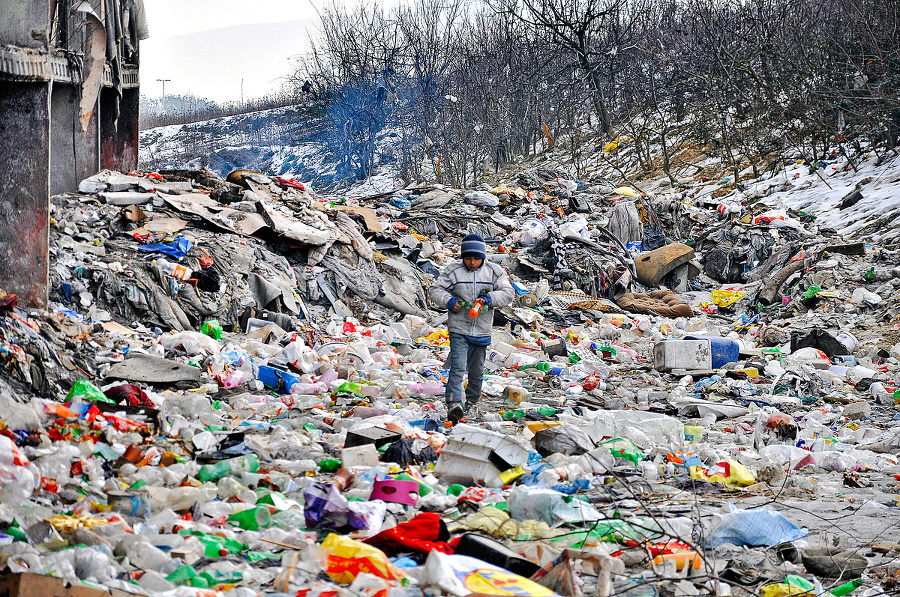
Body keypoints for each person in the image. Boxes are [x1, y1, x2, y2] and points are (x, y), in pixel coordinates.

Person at [429, 234, 514, 423]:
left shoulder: (493, 272)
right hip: (459, 327)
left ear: (483, 257)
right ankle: (454, 404)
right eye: (468, 258)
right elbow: (435, 290)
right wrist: (449, 301)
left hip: (482, 329)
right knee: (458, 367)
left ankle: (472, 403)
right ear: (463, 257)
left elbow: (508, 293)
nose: (472, 262)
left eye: (476, 258)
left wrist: (490, 298)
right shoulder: (454, 271)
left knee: (476, 370)